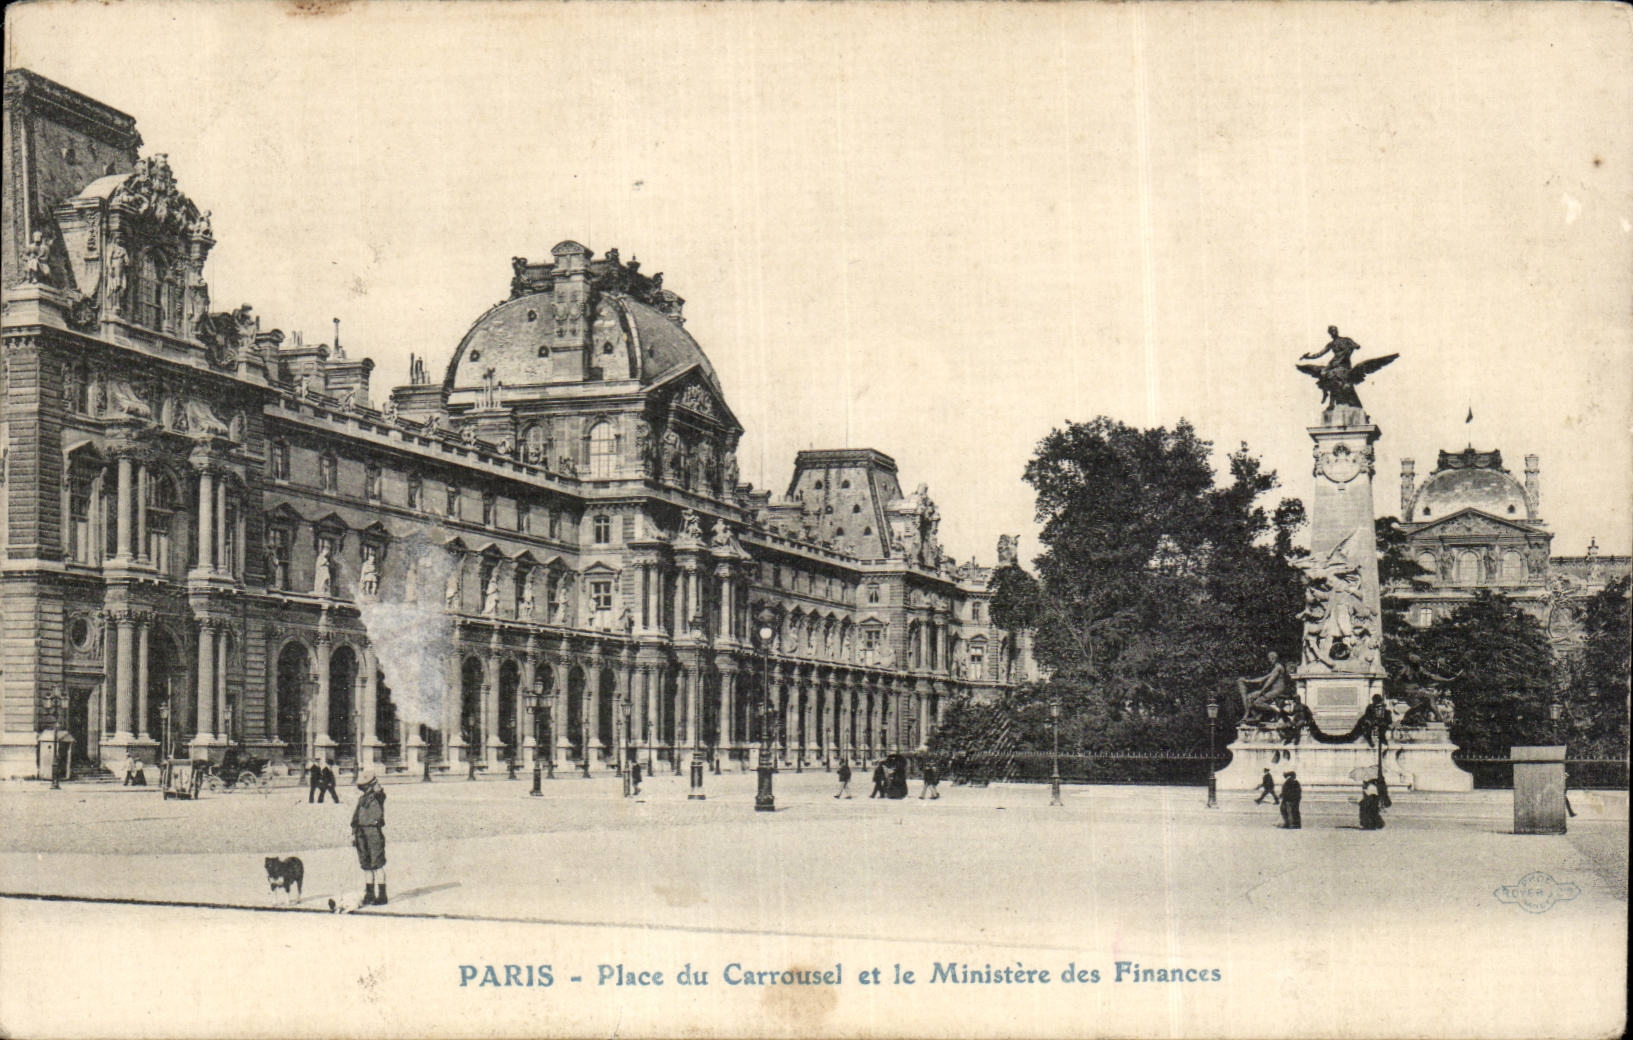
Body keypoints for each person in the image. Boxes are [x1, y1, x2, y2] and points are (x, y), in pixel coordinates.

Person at [351, 773, 388, 906]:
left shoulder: (378, 797)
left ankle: (382, 895)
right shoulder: (362, 799)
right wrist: (353, 833)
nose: (364, 789)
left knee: (377, 864)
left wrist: (378, 787)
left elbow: (381, 795)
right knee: (366, 865)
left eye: (366, 786)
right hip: (361, 832)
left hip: (373, 831)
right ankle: (370, 894)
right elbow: (355, 818)